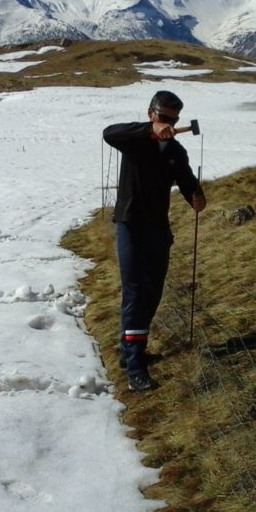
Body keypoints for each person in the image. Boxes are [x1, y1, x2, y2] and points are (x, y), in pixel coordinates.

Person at [103, 90, 207, 392]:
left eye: (174, 119)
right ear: (151, 113)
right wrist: (150, 130)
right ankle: (135, 367)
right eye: (164, 118)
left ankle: (131, 349)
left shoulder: (176, 152)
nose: (169, 124)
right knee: (135, 291)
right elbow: (108, 133)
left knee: (152, 292)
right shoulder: (134, 141)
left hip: (159, 228)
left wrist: (196, 197)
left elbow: (187, 181)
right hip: (131, 225)